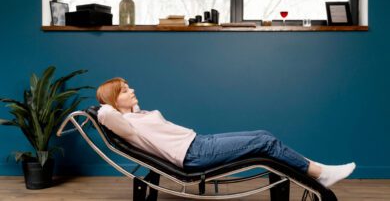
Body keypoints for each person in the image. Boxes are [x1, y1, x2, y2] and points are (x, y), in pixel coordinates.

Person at [96, 77, 356, 188]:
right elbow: (106, 115)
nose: (132, 91)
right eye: (125, 90)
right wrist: (105, 104)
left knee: (263, 135)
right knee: (264, 142)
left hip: (198, 142)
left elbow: (125, 111)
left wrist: (124, 103)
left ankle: (315, 170)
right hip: (194, 155)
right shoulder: (126, 124)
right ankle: (320, 174)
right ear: (114, 101)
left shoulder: (135, 116)